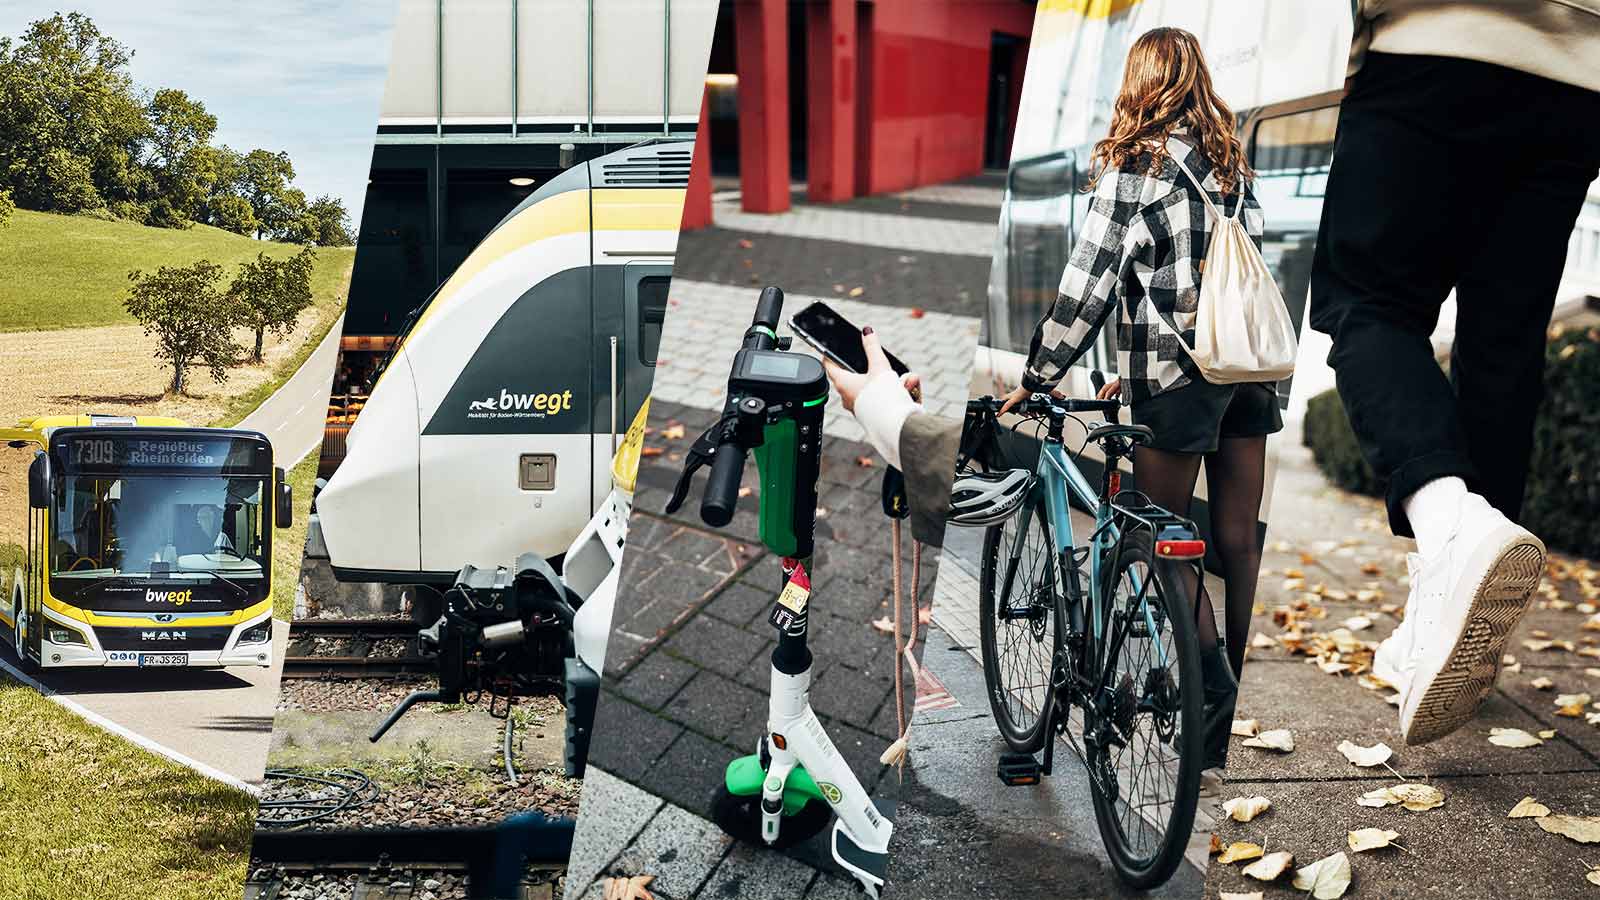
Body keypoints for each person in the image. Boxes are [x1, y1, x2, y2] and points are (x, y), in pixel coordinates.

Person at [1310, 2, 1600, 745]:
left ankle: (1450, 527)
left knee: (1368, 302)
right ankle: (1443, 624)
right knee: (1503, 344)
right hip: (1576, 81)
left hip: (1432, 42)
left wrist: (1345, 55)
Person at [990, 26, 1277, 774]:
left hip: (1180, 383)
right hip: (1246, 373)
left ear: (1141, 80)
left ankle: (1207, 694)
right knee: (1239, 542)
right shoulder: (1230, 162)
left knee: (1163, 539)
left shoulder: (1135, 164)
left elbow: (1088, 285)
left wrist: (1041, 373)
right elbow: (1229, 280)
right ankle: (1233, 712)